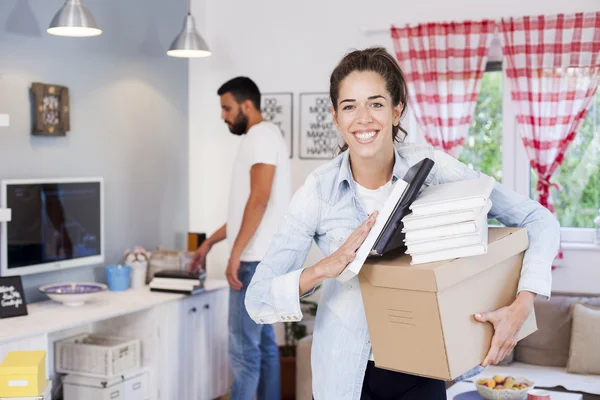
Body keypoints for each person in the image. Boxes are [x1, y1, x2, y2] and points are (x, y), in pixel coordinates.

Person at [244, 47, 560, 400]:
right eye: (349, 106)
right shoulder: (318, 191)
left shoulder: (434, 169)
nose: (363, 118)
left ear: (397, 111)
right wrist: (324, 268)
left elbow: (538, 219)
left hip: (420, 367)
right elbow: (257, 298)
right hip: (346, 374)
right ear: (335, 117)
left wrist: (523, 303)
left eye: (376, 104)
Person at [190, 77, 291, 400]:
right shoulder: (268, 135)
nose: (223, 116)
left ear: (247, 106)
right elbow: (246, 211)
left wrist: (235, 254)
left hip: (252, 262)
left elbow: (259, 200)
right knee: (263, 346)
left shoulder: (258, 138)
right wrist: (210, 243)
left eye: (227, 108)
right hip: (265, 258)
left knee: (244, 352)